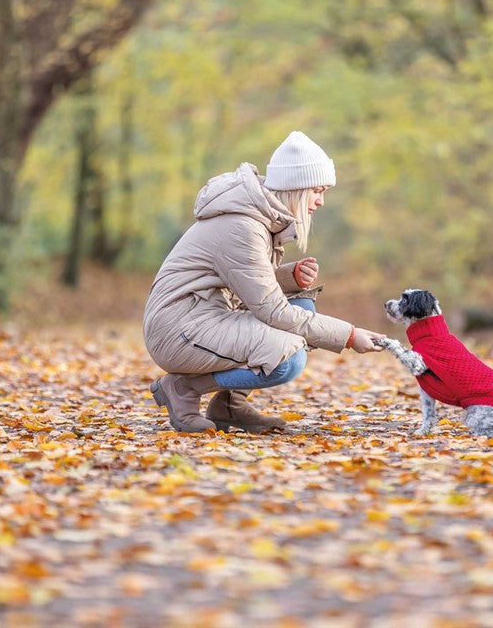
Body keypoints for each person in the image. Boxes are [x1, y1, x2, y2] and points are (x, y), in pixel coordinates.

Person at [143, 131, 385, 433]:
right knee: (288, 359)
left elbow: (245, 284)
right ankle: (184, 389)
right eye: (317, 191)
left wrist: (289, 277)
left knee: (301, 301)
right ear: (296, 186)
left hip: (202, 318)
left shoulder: (257, 217)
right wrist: (349, 335)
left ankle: (229, 406)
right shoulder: (243, 226)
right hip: (178, 329)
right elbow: (273, 312)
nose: (321, 201)